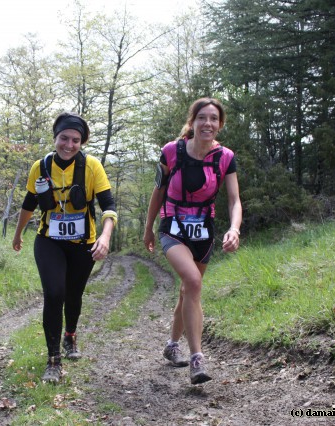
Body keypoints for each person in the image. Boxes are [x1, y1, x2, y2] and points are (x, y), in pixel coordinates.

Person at [13, 111, 117, 383]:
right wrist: (17, 234)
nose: (69, 145)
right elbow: (29, 203)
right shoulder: (41, 166)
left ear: (82, 142)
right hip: (49, 241)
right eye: (64, 138)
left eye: (75, 140)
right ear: (55, 137)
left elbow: (109, 207)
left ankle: (70, 334)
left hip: (84, 243)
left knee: (73, 295)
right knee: (54, 293)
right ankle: (53, 360)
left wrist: (105, 237)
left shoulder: (92, 166)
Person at [143, 97, 242, 385]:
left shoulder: (225, 157)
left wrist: (234, 229)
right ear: (193, 121)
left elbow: (235, 201)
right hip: (172, 225)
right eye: (202, 118)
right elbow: (157, 193)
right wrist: (149, 229)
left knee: (188, 290)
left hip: (204, 230)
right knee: (193, 282)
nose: (207, 123)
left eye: (213, 119)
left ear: (219, 125)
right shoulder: (171, 152)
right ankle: (197, 359)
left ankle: (172, 345)